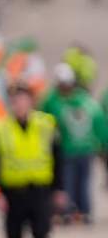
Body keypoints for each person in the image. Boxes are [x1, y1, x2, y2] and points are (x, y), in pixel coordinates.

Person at [0, 83, 64, 238]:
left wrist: (58, 189)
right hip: (13, 193)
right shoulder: (2, 128)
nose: (20, 104)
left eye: (23, 99)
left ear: (31, 102)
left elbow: (57, 157)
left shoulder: (46, 124)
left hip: (40, 191)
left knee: (42, 236)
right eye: (15, 100)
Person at [41, 63, 108, 223]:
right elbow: (43, 119)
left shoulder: (83, 101)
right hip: (66, 149)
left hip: (84, 149)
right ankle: (68, 211)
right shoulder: (53, 100)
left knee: (82, 183)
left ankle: (83, 211)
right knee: (68, 183)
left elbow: (97, 122)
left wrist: (103, 144)